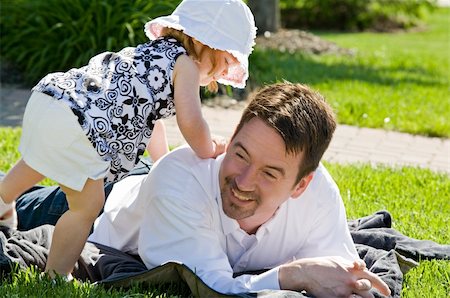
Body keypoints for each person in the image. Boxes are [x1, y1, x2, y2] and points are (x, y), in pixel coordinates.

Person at [0, 0, 256, 278]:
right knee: (87, 207)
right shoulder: (186, 66)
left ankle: (3, 198)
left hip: (52, 100)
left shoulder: (152, 55)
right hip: (82, 127)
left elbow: (150, 122)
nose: (223, 72)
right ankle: (55, 275)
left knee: (41, 160)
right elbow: (192, 123)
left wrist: (162, 164)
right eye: (227, 60)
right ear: (202, 40)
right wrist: (209, 148)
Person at [87, 82, 391, 297]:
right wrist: (295, 275)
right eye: (240, 154)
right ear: (230, 139)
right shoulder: (179, 185)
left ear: (300, 185)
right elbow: (214, 287)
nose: (243, 182)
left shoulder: (318, 195)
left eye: (269, 173)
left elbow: (341, 278)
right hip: (101, 203)